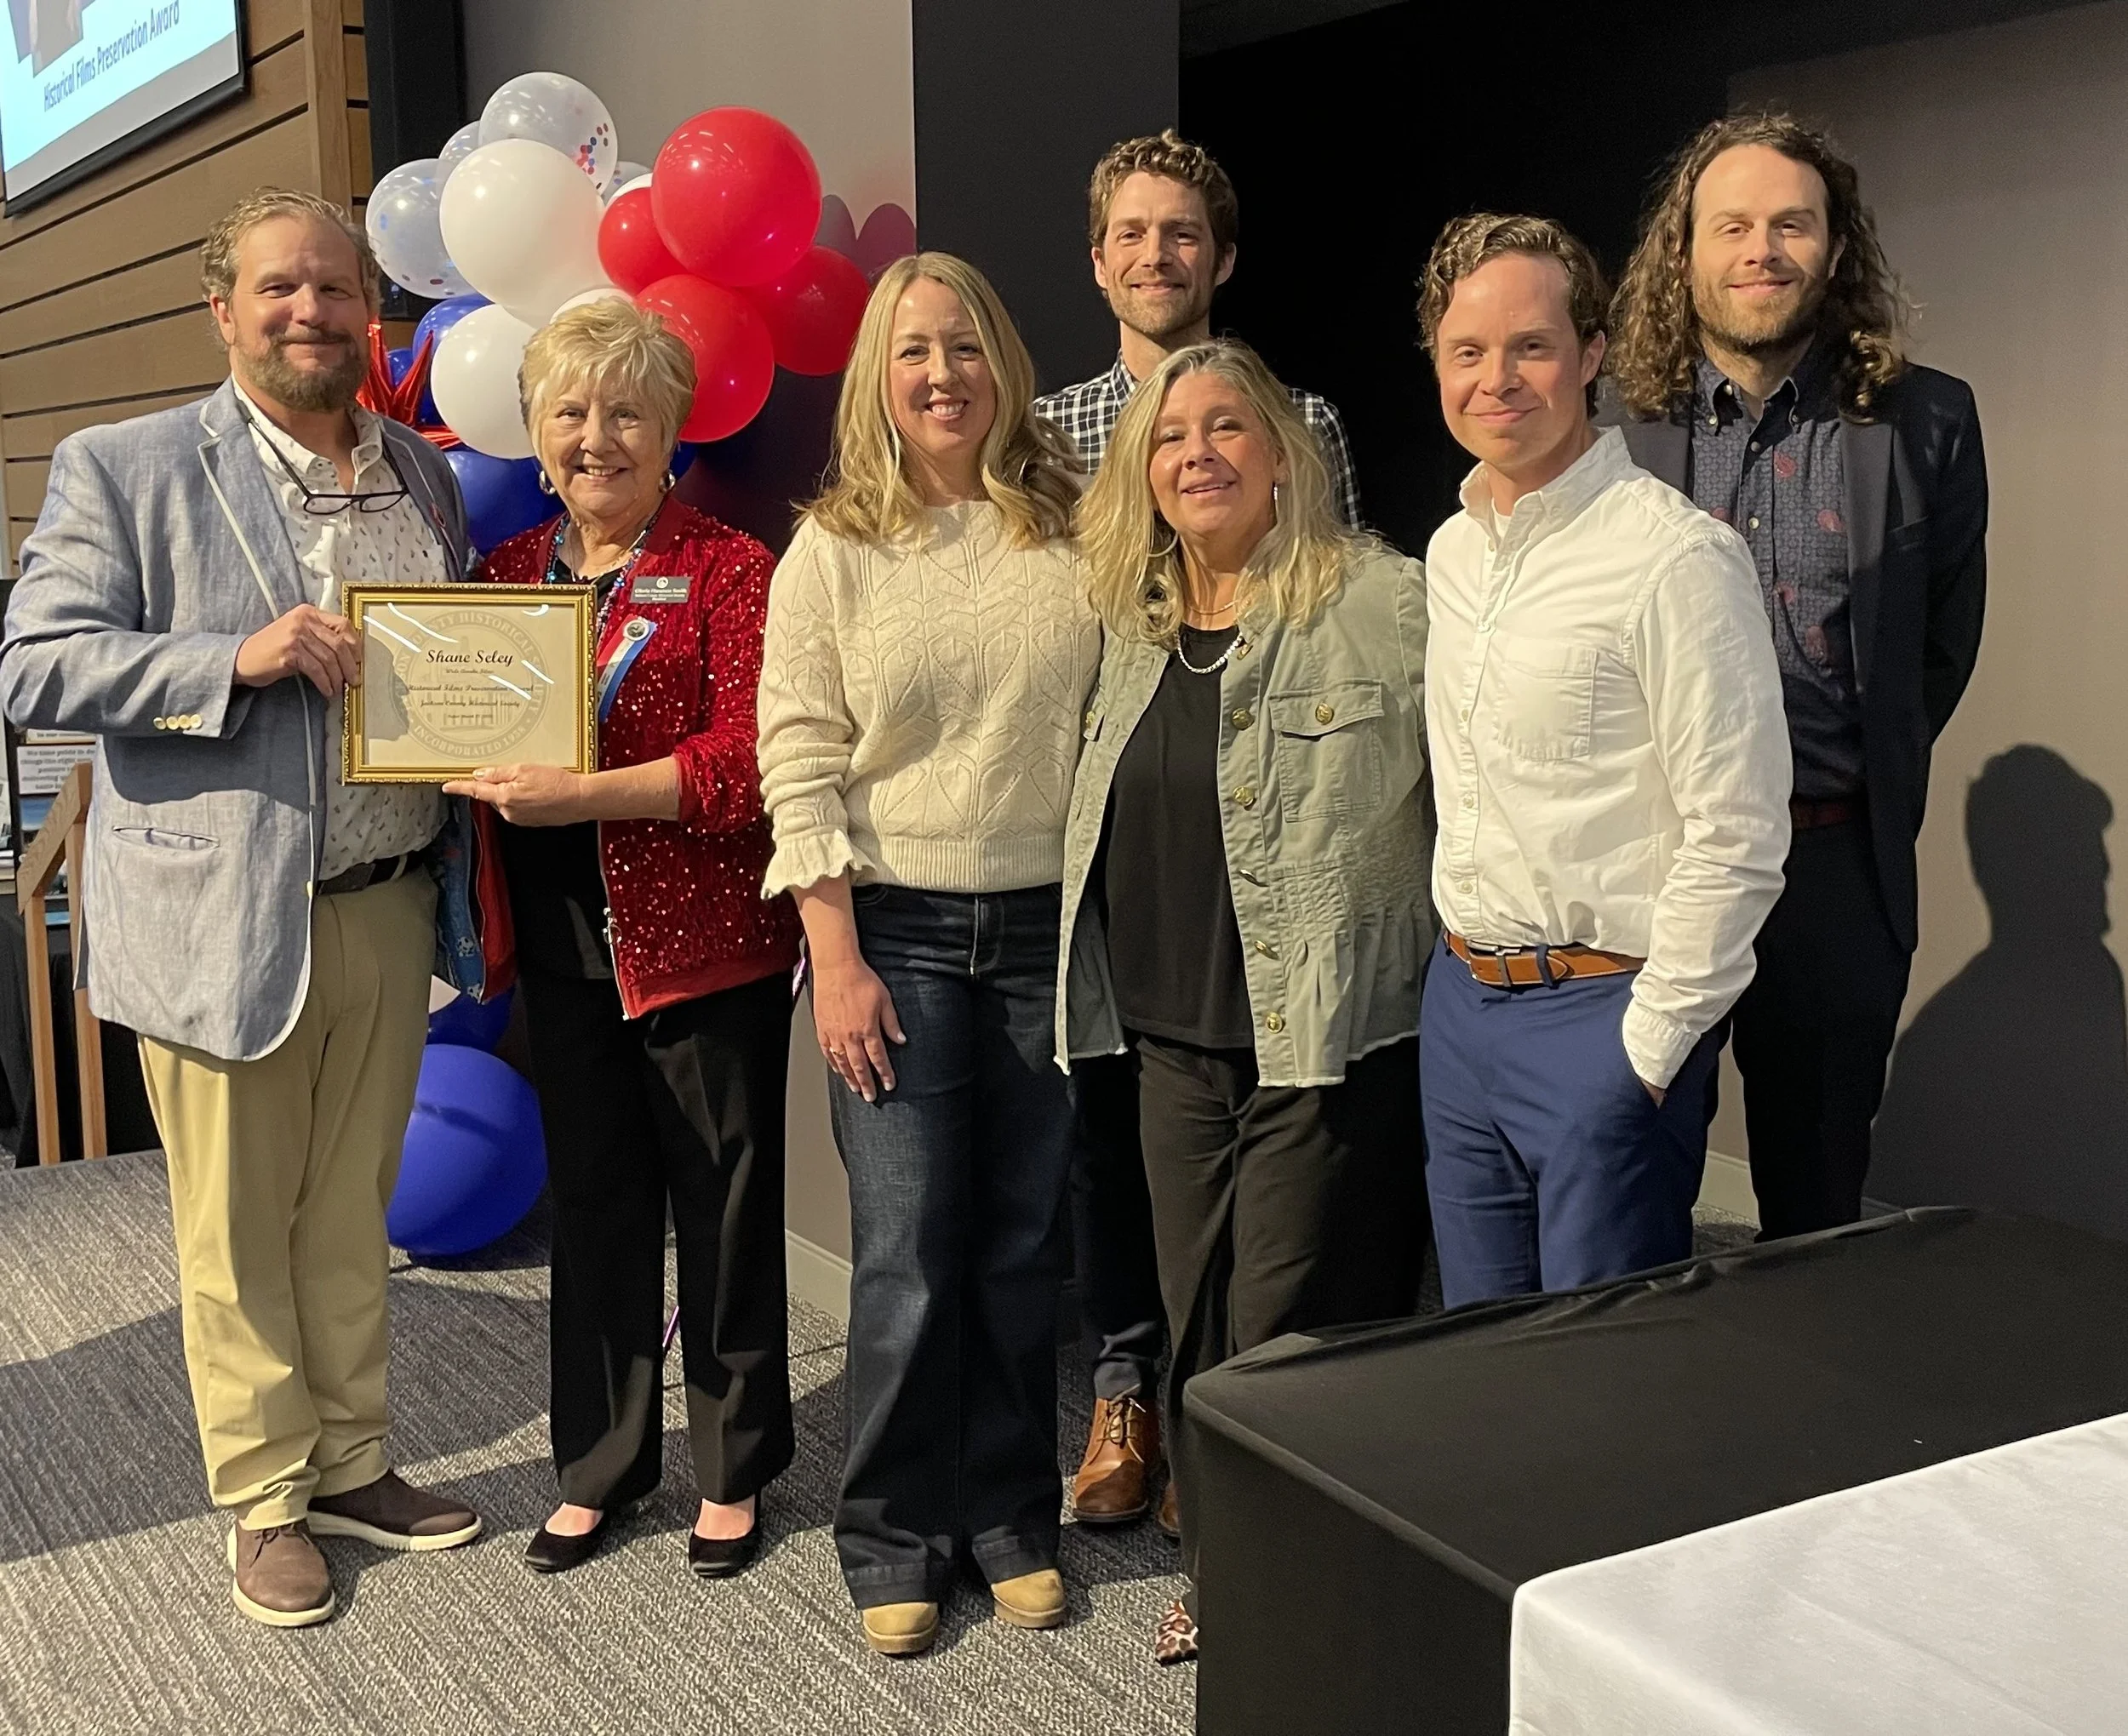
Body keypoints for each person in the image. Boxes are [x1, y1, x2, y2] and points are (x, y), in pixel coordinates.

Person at [0, 188, 484, 1628]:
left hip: (393, 901)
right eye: (279, 289)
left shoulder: (422, 477)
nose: (310, 314)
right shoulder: (130, 465)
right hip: (222, 911)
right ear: (224, 310)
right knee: (231, 1227)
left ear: (371, 314)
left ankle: (351, 1461)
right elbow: (34, 667)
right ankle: (266, 1497)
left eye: (336, 291)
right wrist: (233, 656)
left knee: (347, 1213)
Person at [1060, 339, 1433, 1665]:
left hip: (1312, 1036)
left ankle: (1243, 1584)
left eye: (1228, 429)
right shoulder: (1125, 623)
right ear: (1143, 472)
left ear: (1282, 454)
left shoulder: (1382, 599)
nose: (1199, 454)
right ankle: (1232, 1544)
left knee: (1275, 1318)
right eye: (1171, 438)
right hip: (1163, 1039)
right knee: (1192, 1312)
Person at [757, 252, 1099, 1657]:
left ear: (1003, 363)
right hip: (889, 928)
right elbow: (798, 755)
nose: (943, 374)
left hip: (1047, 932)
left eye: (963, 345)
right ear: (878, 384)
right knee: (904, 1251)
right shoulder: (833, 546)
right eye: (912, 354)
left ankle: (1013, 1511)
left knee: (1022, 1245)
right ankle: (895, 1528)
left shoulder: (1077, 526)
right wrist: (833, 956)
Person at [1035, 128, 1368, 1543]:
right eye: (1131, 233)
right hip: (1115, 829)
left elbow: (1335, 627)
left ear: (1220, 259)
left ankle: (1233, 1432)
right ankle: (1131, 1395)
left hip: (1263, 842)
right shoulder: (1046, 433)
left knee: (1262, 1156)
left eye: (1183, 234)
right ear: (1097, 257)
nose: (1156, 255)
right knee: (1118, 1146)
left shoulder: (1303, 422)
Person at [445, 300, 802, 1579]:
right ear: (537, 440)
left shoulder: (730, 570)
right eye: (571, 413)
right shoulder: (502, 579)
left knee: (725, 1204)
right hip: (560, 945)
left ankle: (735, 1471)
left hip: (708, 944)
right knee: (594, 1210)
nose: (596, 438)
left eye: (626, 412)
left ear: (670, 433)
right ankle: (598, 1466)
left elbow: (752, 765)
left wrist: (584, 792)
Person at [1604, 113, 1988, 1239]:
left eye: (1791, 224)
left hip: (1831, 867)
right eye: (1731, 225)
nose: (1760, 249)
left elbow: (1939, 645)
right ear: (1685, 253)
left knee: (1816, 1207)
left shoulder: (1926, 420)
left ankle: (1803, 1415)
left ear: (1835, 246)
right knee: (1628, 1185)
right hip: (1651, 863)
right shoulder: (1614, 428)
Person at [1416, 212, 1791, 1309]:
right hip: (1462, 1012)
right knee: (1480, 1355)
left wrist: (1650, 1048)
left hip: (1603, 1020)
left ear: (1591, 355)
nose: (1499, 379)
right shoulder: (1451, 549)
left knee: (1605, 1386)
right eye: (1467, 352)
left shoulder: (1675, 559)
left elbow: (1740, 831)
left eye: (1531, 346)